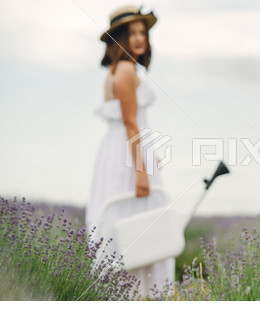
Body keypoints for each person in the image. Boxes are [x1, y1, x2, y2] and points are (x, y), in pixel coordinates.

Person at [85, 5, 174, 299]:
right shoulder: (124, 70)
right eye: (131, 33)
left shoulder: (122, 70)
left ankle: (129, 297)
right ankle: (137, 297)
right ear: (118, 38)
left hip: (123, 152)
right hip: (127, 158)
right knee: (134, 225)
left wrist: (150, 156)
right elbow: (131, 123)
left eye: (142, 33)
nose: (139, 39)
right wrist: (141, 170)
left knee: (130, 226)